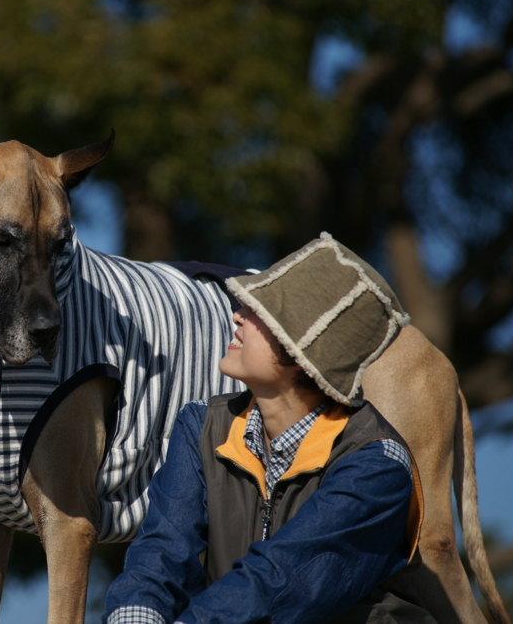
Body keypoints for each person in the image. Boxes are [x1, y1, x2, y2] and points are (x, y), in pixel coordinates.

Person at [103, 233, 436, 624]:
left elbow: (281, 582)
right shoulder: (200, 426)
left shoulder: (377, 465)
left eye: (259, 310)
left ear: (303, 354)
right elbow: (160, 556)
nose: (237, 315)